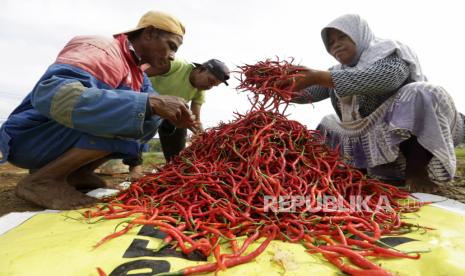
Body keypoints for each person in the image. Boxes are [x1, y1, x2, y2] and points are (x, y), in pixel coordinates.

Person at [0, 10, 199, 210]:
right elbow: (52, 94)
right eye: (171, 46)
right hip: (31, 137)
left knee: (151, 115)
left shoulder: (137, 73)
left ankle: (77, 173)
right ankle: (42, 181)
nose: (172, 56)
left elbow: (156, 104)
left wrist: (174, 116)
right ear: (149, 33)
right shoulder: (101, 49)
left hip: (54, 138)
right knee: (140, 108)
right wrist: (150, 104)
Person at [286, 14, 464, 193]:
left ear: (359, 35)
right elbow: (307, 93)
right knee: (329, 122)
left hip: (414, 141)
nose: (336, 45)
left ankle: (417, 171)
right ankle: (358, 173)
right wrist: (280, 85)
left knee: (422, 92)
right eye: (330, 43)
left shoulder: (387, 51)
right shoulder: (337, 72)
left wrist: (317, 76)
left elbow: (385, 79)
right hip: (379, 141)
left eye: (342, 37)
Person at [124, 58, 230, 179]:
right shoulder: (177, 66)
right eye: (210, 81)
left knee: (181, 129)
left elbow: (195, 120)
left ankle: (174, 168)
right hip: (146, 104)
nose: (209, 87)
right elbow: (138, 73)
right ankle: (135, 167)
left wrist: (205, 137)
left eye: (213, 86)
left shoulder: (199, 91)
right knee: (140, 126)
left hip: (169, 114)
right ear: (201, 69)